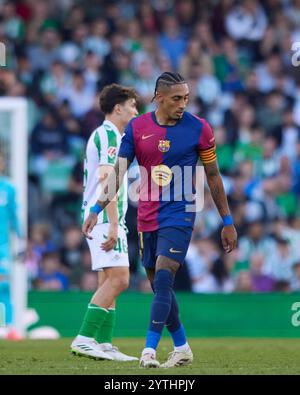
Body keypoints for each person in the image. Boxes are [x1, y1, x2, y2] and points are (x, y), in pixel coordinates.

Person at [83, 72, 238, 368]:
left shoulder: (199, 129)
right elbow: (118, 171)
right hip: (147, 216)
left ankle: (149, 350)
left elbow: (214, 175)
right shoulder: (138, 128)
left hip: (181, 213)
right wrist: (96, 209)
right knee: (157, 285)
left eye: (187, 98)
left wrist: (227, 221)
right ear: (159, 98)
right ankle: (182, 347)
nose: (183, 104)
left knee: (166, 277)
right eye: (177, 99)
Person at [71, 84, 139, 362]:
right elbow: (106, 180)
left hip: (100, 217)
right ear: (118, 108)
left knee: (108, 281)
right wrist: (113, 224)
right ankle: (84, 338)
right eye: (133, 106)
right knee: (121, 279)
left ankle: (104, 343)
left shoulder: (107, 135)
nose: (136, 111)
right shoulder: (110, 136)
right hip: (104, 219)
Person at [0, 151, 21, 327]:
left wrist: (22, 238)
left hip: (2, 246)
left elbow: (14, 216)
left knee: (4, 286)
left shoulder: (8, 188)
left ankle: (7, 326)